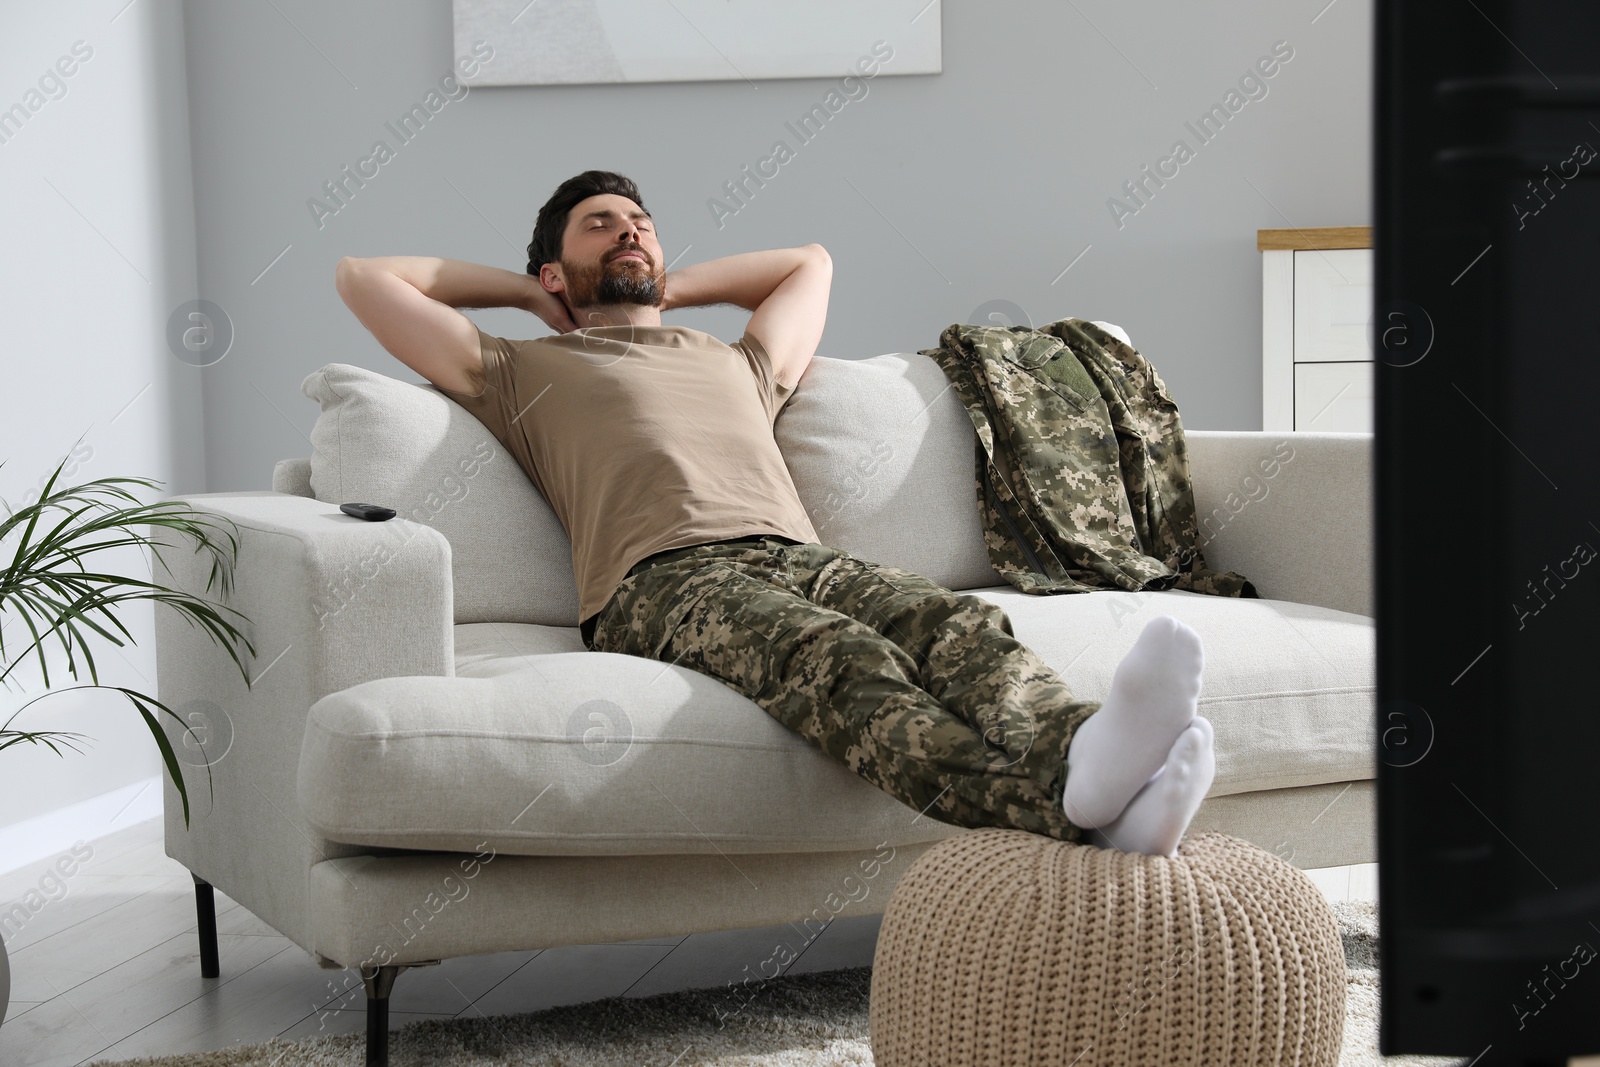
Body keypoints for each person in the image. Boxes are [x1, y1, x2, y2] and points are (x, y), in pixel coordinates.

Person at [334, 169, 1216, 857]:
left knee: (957, 624)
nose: (630, 230)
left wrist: (666, 287)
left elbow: (811, 262)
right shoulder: (519, 370)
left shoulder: (737, 360)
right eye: (600, 224)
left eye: (639, 222)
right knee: (840, 658)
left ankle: (1085, 754)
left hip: (797, 555)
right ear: (556, 267)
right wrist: (533, 298)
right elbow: (364, 277)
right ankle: (1064, 800)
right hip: (662, 579)